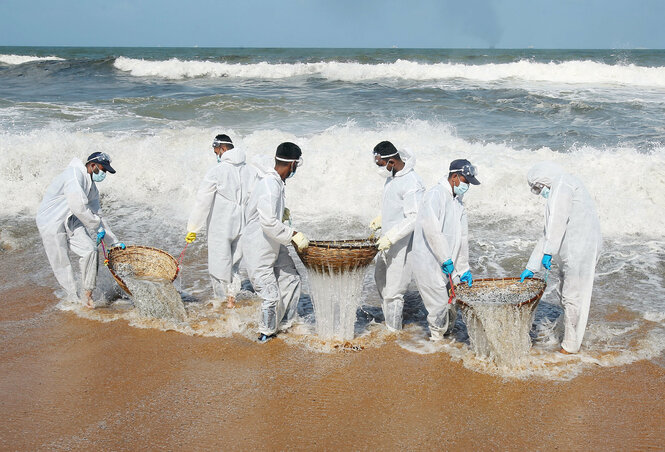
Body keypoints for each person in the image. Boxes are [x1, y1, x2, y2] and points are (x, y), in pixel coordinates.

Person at [519, 161, 602, 354]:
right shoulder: (565, 183)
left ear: (544, 179)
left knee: (573, 295)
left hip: (579, 249)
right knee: (568, 294)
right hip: (577, 247)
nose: (542, 193)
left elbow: (556, 222)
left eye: (541, 188)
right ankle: (571, 335)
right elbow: (548, 232)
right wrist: (532, 266)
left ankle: (570, 347)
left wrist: (548, 251)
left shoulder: (562, 184)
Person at [36, 152, 125, 308]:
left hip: (71, 219)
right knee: (61, 261)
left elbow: (98, 214)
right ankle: (72, 298)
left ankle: (87, 294)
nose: (103, 174)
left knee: (90, 250)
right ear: (92, 165)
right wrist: (96, 227)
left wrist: (113, 242)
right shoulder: (74, 176)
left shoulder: (92, 187)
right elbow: (78, 206)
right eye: (102, 170)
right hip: (51, 220)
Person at [242, 142, 309, 342]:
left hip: (273, 242)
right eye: (297, 165)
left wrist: (282, 213)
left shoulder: (276, 182)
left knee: (292, 279)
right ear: (293, 164)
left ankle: (285, 323)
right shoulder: (270, 185)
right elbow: (268, 223)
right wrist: (293, 234)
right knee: (269, 295)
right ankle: (266, 334)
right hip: (258, 245)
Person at [410, 159, 480, 340]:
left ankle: (447, 336)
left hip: (449, 262)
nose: (467, 187)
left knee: (453, 303)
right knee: (439, 305)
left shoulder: (457, 202)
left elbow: (462, 237)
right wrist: (445, 259)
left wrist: (463, 268)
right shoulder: (435, 195)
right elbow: (432, 229)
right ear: (455, 177)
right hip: (429, 261)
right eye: (466, 182)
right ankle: (436, 342)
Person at [185, 134, 257, 308]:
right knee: (234, 264)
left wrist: (193, 227)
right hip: (243, 222)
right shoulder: (251, 170)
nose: (216, 155)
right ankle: (232, 297)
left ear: (223, 149)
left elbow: (203, 200)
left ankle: (222, 301)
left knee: (219, 264)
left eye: (216, 151)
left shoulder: (217, 171)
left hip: (221, 223)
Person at [369, 141, 425, 331]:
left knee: (394, 291)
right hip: (387, 241)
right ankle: (390, 321)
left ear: (391, 162)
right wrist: (381, 219)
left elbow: (415, 217)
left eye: (380, 164)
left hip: (403, 244)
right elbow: (394, 206)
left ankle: (393, 333)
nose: (379, 168)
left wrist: (391, 237)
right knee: (380, 279)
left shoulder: (412, 183)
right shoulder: (392, 177)